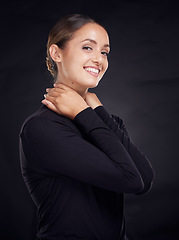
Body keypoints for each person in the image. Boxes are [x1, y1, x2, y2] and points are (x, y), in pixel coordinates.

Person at [19, 14, 155, 240]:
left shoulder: (106, 121)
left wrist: (97, 112)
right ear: (56, 53)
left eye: (104, 52)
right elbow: (129, 179)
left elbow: (144, 180)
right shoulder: (41, 128)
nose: (99, 59)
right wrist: (83, 112)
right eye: (87, 48)